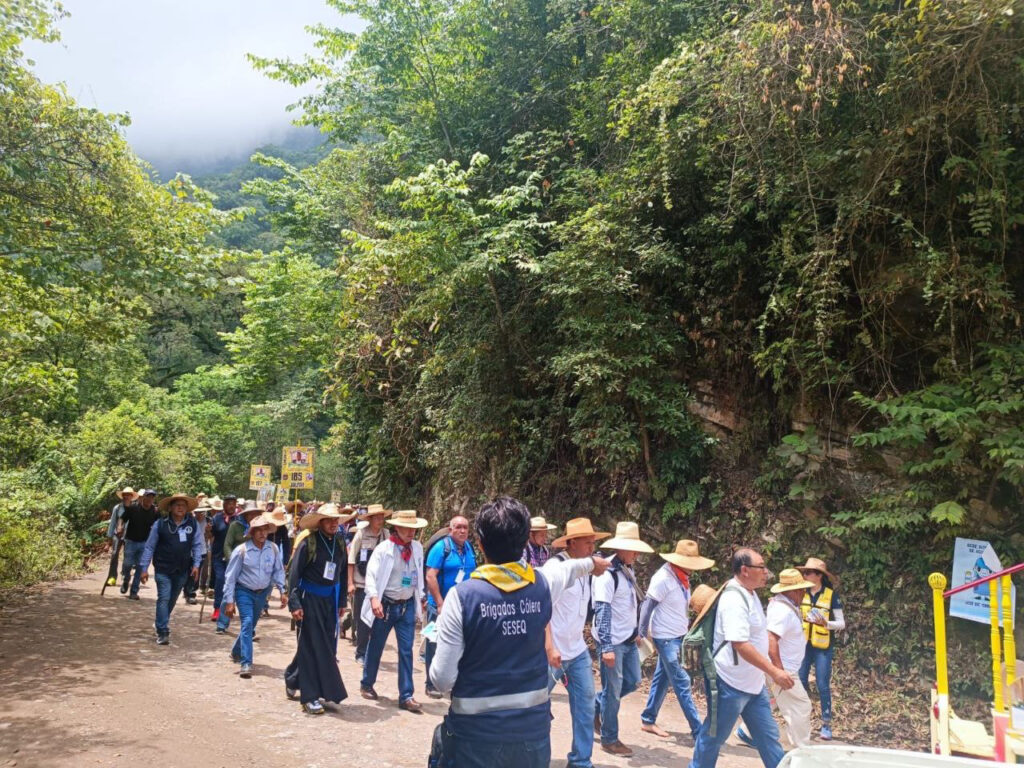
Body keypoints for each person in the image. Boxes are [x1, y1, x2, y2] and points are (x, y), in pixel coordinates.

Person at [429, 497, 611, 768]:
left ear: (480, 544)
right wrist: (593, 564)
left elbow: (442, 680)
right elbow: (570, 569)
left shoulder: (461, 598)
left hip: (474, 736)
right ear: (526, 540)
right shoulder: (542, 585)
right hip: (532, 738)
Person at [688, 548, 793, 768]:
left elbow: (757, 637)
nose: (766, 572)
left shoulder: (750, 594)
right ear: (745, 570)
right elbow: (740, 644)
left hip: (753, 685)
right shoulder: (733, 599)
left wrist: (773, 668)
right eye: (761, 567)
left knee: (768, 738)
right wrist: (774, 671)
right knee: (713, 737)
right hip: (730, 684)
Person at [542, 517, 610, 768]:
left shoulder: (585, 572)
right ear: (571, 543)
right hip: (553, 652)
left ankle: (581, 761)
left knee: (585, 704)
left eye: (593, 542)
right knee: (534, 705)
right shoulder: (555, 568)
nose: (592, 548)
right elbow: (542, 608)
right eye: (588, 543)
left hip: (577, 650)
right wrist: (549, 646)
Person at [639, 539, 715, 740]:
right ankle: (698, 731)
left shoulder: (682, 577)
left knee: (662, 678)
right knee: (682, 680)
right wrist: (641, 633)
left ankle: (648, 719)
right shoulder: (663, 578)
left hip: (677, 635)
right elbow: (647, 606)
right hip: (665, 638)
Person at [592, 521, 653, 757]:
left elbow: (628, 605)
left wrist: (636, 631)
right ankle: (609, 739)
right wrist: (606, 647)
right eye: (633, 549)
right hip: (612, 641)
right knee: (614, 690)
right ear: (621, 548)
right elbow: (603, 610)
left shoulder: (627, 570)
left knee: (633, 681)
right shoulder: (607, 574)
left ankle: (596, 706)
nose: (636, 554)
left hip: (626, 638)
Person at [738, 568, 816, 749]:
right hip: (783, 668)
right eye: (801, 590)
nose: (804, 594)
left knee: (769, 701)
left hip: (779, 666)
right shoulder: (783, 611)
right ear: (792, 591)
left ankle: (747, 732)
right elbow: (771, 639)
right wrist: (779, 671)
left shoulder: (784, 605)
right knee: (800, 706)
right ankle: (801, 748)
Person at [284, 503, 350, 715]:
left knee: (324, 645)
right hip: (308, 599)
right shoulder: (308, 543)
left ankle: (293, 678)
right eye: (329, 520)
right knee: (310, 645)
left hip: (329, 600)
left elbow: (341, 573)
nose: (333, 524)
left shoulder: (340, 543)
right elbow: (294, 575)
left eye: (335, 520)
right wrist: (295, 604)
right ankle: (310, 696)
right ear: (320, 522)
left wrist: (341, 602)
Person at [359, 508, 427, 713]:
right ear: (397, 528)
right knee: (376, 644)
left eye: (413, 529)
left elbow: (419, 574)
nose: (411, 532)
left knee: (406, 650)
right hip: (386, 605)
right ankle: (367, 683)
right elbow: (371, 575)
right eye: (407, 528)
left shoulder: (417, 548)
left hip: (407, 605)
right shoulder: (384, 549)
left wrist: (421, 596)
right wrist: (374, 598)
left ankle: (406, 695)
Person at [222, 512, 287, 678]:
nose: (262, 533)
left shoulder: (273, 549)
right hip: (244, 591)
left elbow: (278, 571)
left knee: (250, 626)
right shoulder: (241, 550)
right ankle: (246, 663)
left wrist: (282, 590)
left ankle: (236, 651)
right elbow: (230, 577)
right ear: (252, 532)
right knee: (247, 622)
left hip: (262, 592)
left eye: (265, 529)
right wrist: (229, 601)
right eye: (258, 530)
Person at [423, 514, 477, 699]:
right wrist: (440, 603)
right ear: (450, 529)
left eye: (465, 527)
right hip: (439, 606)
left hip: (463, 608)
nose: (462, 531)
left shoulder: (469, 548)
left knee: (461, 644)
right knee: (434, 643)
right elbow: (430, 576)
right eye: (458, 527)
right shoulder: (441, 548)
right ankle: (431, 684)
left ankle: (455, 684)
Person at [138, 494, 203, 645]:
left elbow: (197, 545)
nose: (180, 508)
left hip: (182, 569)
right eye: (177, 505)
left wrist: (196, 565)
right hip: (163, 568)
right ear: (170, 508)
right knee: (164, 597)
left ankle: (160, 621)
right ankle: (163, 631)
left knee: (172, 599)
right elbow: (149, 547)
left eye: (183, 505)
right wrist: (144, 568)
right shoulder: (160, 524)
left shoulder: (192, 524)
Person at [796, 557, 845, 740]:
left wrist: (826, 623)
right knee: (800, 680)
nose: (805, 575)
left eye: (808, 572)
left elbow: (841, 623)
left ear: (819, 576)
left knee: (822, 684)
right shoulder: (801, 592)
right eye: (805, 572)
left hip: (823, 646)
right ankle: (803, 719)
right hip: (804, 645)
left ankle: (826, 724)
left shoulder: (832, 595)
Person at [347, 504, 390, 664]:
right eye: (377, 517)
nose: (380, 520)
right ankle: (361, 653)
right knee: (362, 620)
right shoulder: (361, 534)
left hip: (380, 585)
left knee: (378, 621)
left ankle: (372, 653)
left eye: (382, 517)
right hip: (362, 584)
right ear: (370, 519)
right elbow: (351, 559)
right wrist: (350, 583)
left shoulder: (386, 535)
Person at [216, 499, 264, 634]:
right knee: (229, 593)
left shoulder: (261, 528)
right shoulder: (235, 526)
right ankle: (222, 623)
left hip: (252, 567)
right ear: (245, 515)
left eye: (255, 514)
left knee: (250, 598)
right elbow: (227, 545)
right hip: (236, 564)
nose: (253, 516)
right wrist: (232, 560)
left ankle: (249, 628)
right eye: (250, 514)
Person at [119, 489, 159, 599]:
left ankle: (134, 591)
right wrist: (119, 527)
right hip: (131, 541)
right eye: (148, 497)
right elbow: (122, 518)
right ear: (142, 497)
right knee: (127, 564)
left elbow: (160, 525)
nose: (150, 499)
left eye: (152, 497)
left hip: (145, 544)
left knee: (140, 567)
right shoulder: (133, 508)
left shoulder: (155, 512)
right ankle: (126, 579)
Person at [105, 487, 135, 587]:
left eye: (128, 495)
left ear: (132, 496)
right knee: (114, 554)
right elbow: (112, 523)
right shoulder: (117, 508)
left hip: (130, 535)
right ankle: (112, 577)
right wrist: (108, 540)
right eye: (124, 495)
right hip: (117, 535)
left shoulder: (135, 508)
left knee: (128, 556)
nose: (126, 496)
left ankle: (125, 575)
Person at [183, 501, 211, 604]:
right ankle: (187, 590)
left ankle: (191, 593)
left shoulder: (208, 522)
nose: (199, 515)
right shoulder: (189, 521)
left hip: (202, 551)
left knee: (196, 573)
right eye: (197, 512)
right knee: (188, 572)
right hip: (190, 551)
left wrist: (209, 532)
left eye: (201, 512)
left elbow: (211, 537)